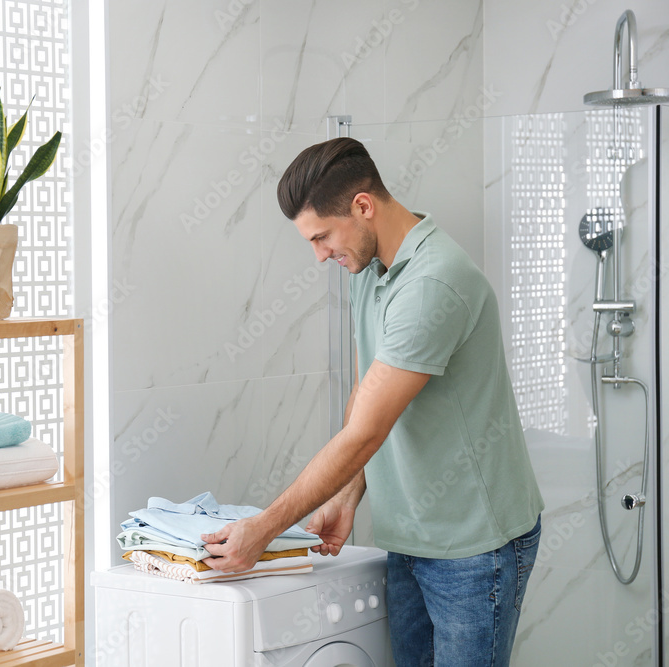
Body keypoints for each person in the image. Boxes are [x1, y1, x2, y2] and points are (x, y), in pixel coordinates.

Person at [201, 137, 544, 666]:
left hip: (475, 547)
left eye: (321, 237)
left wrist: (264, 529)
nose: (318, 256)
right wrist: (346, 496)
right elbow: (368, 396)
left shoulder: (434, 282)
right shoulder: (372, 269)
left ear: (363, 206)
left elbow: (364, 432)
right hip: (410, 535)